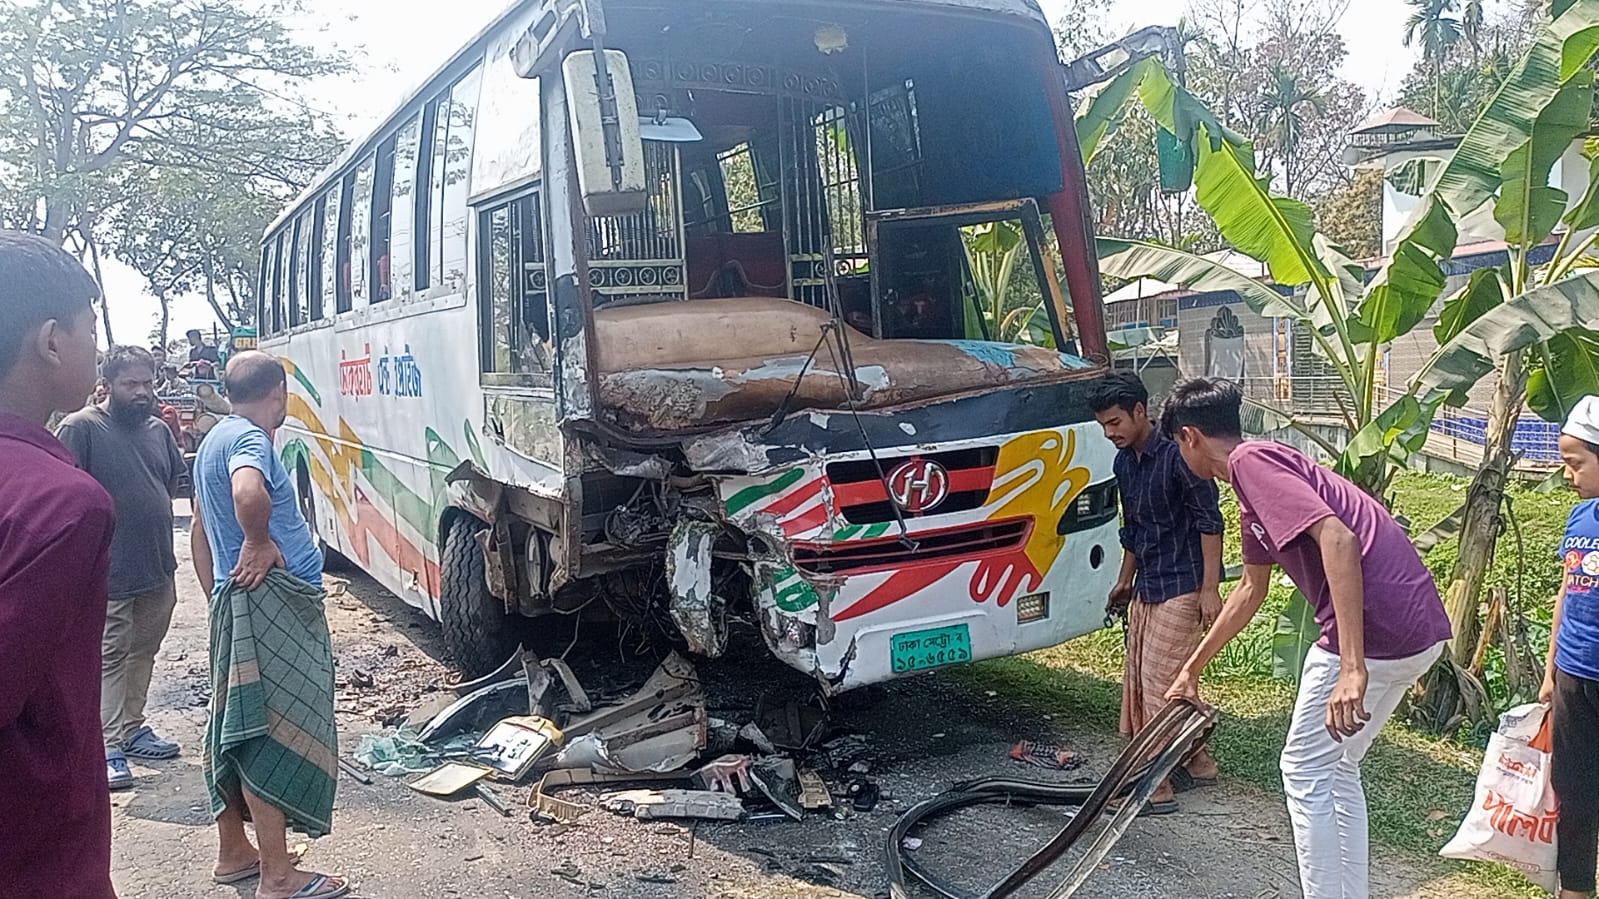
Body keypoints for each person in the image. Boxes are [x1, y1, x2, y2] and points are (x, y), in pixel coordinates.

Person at [1159, 378, 1451, 899]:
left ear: (1190, 437)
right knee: (1336, 767)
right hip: (1416, 630)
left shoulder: (1253, 463)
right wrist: (1191, 668)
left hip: (1376, 633)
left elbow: (1339, 537)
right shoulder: (1256, 485)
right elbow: (1250, 590)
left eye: (1178, 447)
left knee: (1304, 770)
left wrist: (1352, 667)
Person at [191, 351, 346, 899]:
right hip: (270, 603)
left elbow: (200, 532)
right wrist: (258, 541)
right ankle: (278, 876)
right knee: (266, 732)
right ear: (279, 391)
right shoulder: (251, 439)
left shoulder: (212, 438)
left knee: (232, 722)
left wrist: (217, 595)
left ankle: (235, 852)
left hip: (238, 600)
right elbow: (247, 494)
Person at [0, 231, 118, 897]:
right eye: (90, 330)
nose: (94, 349)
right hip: (35, 849)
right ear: (50, 341)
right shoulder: (63, 504)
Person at [1089, 371, 1224, 814]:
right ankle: (1199, 761)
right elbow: (1134, 528)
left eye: (1115, 423)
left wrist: (1210, 590)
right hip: (1149, 582)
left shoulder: (1180, 456)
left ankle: (1157, 784)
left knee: (1159, 685)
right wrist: (1124, 579)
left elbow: (1211, 523)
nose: (1111, 434)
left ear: (1140, 412)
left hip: (1185, 584)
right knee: (1146, 682)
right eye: (1104, 427)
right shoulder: (1124, 463)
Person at [57, 345, 188, 790]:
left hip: (156, 563)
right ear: (107, 385)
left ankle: (132, 727)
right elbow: (63, 494)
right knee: (109, 655)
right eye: (131, 384)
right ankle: (107, 745)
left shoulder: (158, 430)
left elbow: (169, 482)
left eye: (148, 383)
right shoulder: (82, 428)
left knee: (143, 650)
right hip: (107, 570)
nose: (142, 392)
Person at [1542, 396, 1599, 899]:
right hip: (1573, 675)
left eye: (1575, 463)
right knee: (1574, 789)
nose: (1567, 474)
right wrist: (1550, 669)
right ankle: (1576, 889)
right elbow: (1567, 591)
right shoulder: (1580, 519)